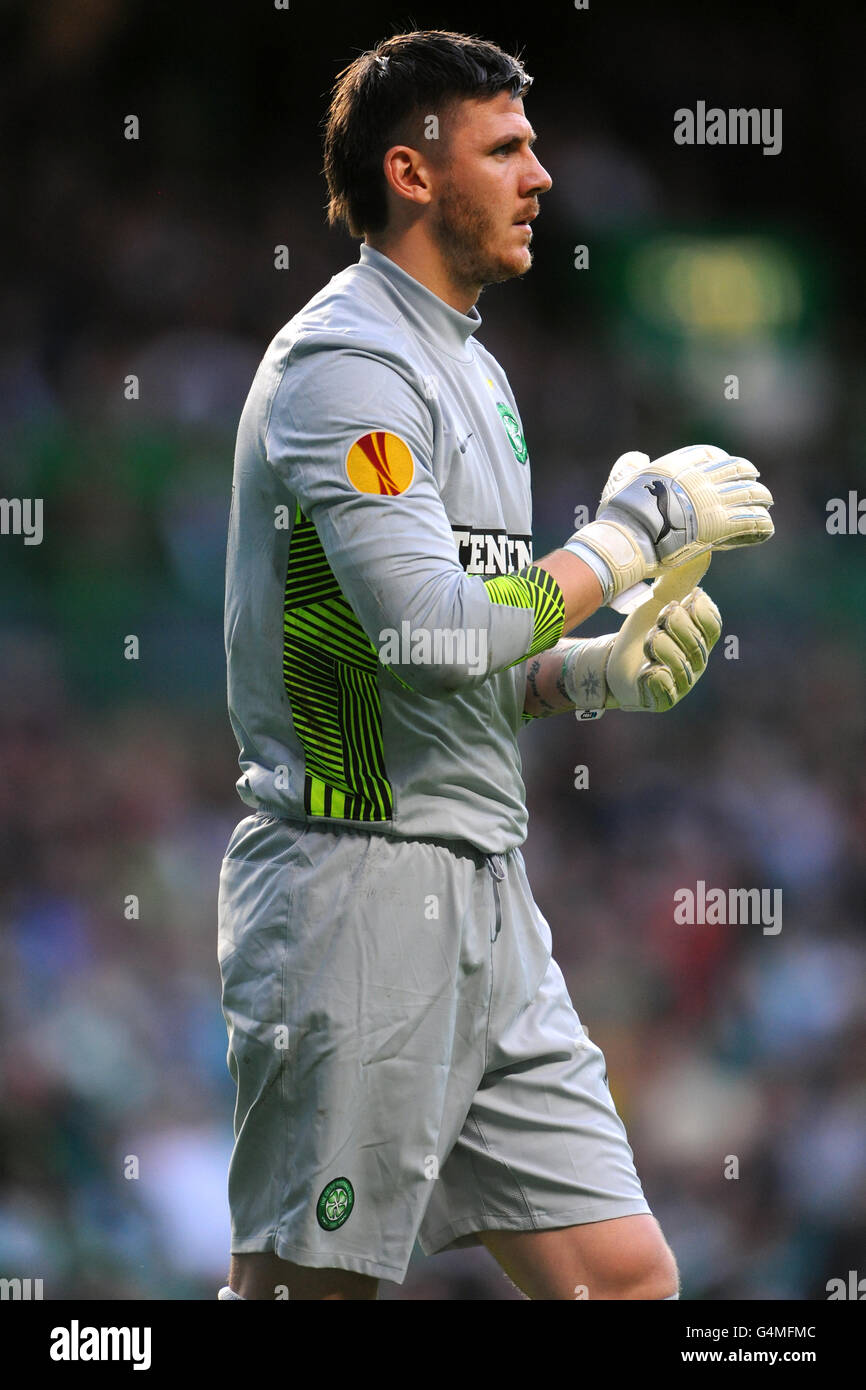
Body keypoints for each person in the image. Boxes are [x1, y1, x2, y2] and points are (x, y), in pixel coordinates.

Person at [216, 29, 773, 1301]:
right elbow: (434, 634)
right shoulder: (345, 363)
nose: (542, 176)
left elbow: (460, 649)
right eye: (507, 147)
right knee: (305, 1295)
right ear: (412, 174)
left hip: (483, 884)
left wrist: (587, 676)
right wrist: (632, 536)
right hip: (351, 879)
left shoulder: (475, 368)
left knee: (623, 1280)